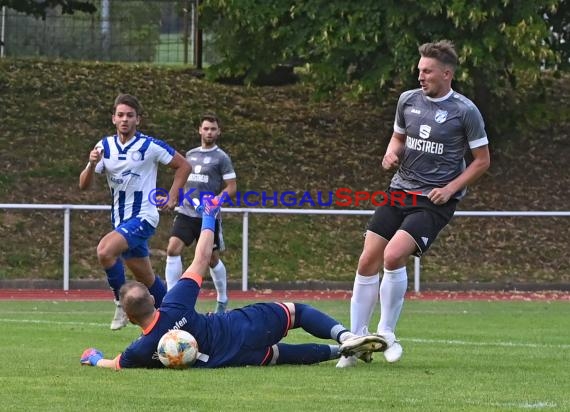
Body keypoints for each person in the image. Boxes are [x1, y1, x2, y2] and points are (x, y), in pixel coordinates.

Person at [80, 197, 387, 369]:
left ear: (131, 318)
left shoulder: (143, 348)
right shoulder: (174, 304)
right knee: (297, 312)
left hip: (237, 359)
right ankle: (346, 337)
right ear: (151, 296)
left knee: (284, 356)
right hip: (242, 326)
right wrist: (210, 215)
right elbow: (201, 258)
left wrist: (92, 358)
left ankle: (341, 353)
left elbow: (113, 364)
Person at [336, 40, 491, 368]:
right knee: (367, 261)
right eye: (419, 70)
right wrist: (391, 152)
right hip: (399, 191)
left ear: (446, 74)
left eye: (427, 71)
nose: (420, 76)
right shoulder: (407, 100)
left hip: (433, 201)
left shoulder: (465, 111)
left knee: (393, 255)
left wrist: (450, 189)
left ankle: (386, 334)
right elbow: (399, 138)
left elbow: (481, 161)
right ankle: (356, 339)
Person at [79, 93, 191, 331]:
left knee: (105, 251)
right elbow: (84, 185)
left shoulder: (149, 146)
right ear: (113, 118)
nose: (125, 119)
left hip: (144, 217)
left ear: (138, 120)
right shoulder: (104, 146)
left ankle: (121, 302)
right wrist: (90, 164)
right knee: (148, 280)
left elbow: (184, 165)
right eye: (120, 115)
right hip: (120, 222)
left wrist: (173, 196)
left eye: (130, 115)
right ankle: (181, 321)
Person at [164, 113, 237, 315]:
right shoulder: (190, 154)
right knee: (172, 249)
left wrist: (216, 201)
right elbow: (183, 180)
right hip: (187, 212)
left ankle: (222, 299)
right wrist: (174, 197)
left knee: (212, 260)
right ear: (199, 130)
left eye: (213, 129)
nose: (209, 132)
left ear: (218, 132)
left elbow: (231, 187)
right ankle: (171, 301)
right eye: (206, 128)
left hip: (208, 216)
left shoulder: (221, 157)